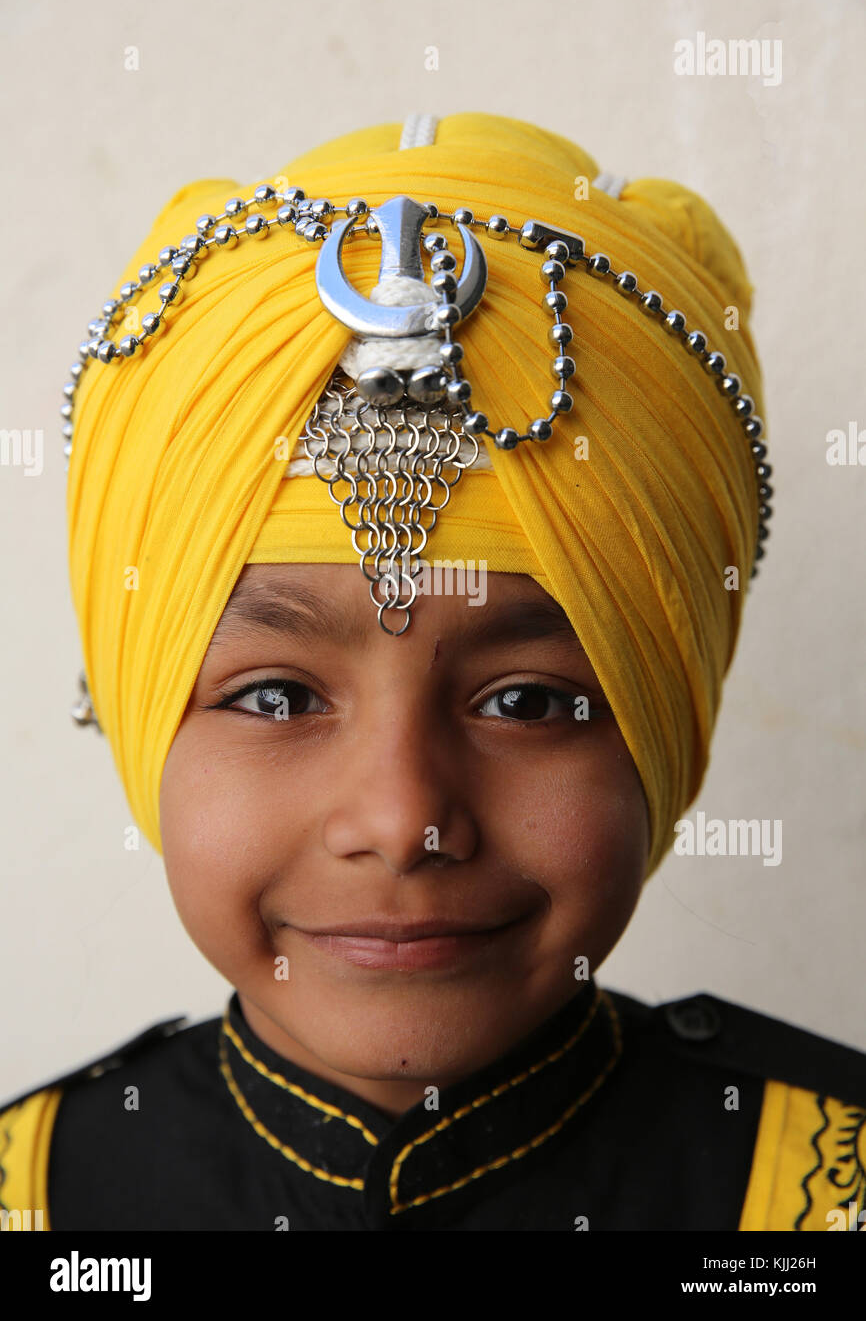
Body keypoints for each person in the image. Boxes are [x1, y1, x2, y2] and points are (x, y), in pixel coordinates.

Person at [1, 112, 863, 1233]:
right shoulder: (38, 1200)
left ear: (667, 726)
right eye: (276, 696)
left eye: (527, 702)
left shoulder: (812, 1196)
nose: (402, 816)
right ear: (132, 714)